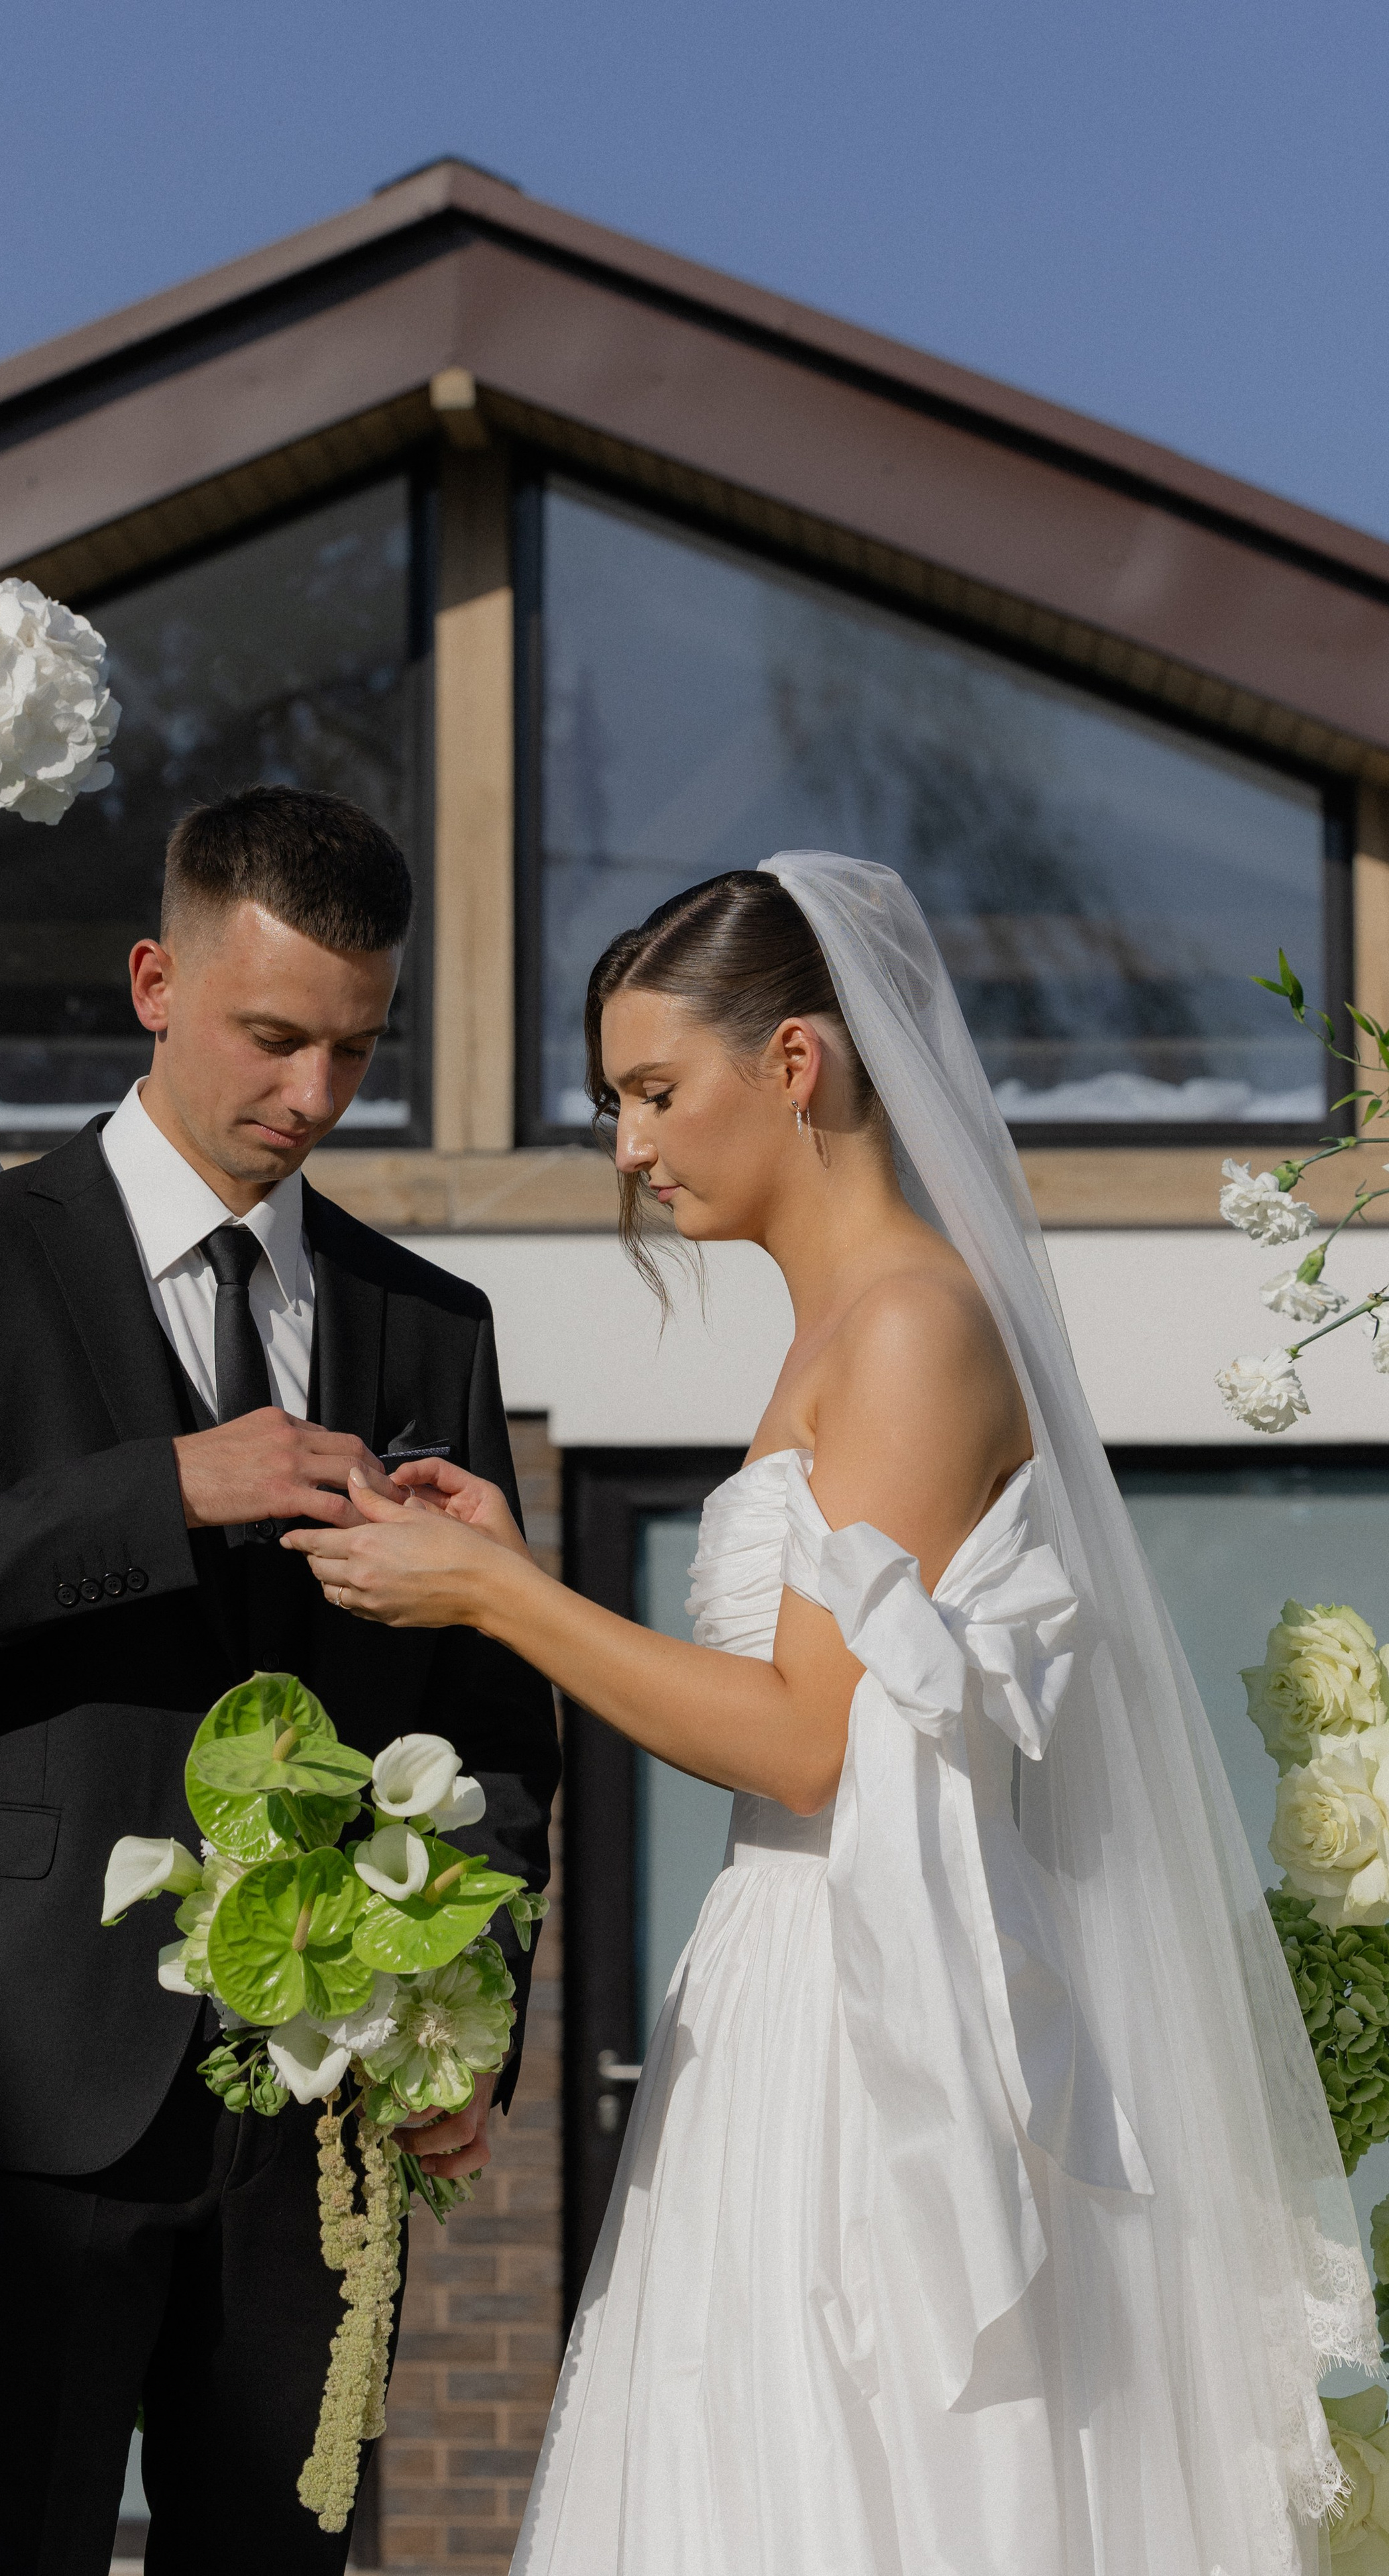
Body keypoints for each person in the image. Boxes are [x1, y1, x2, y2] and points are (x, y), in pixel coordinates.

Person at [286, 853, 1374, 2576]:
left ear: (792, 1065)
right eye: (611, 1102)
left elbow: (811, 1739)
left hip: (870, 2007)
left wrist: (499, 1597)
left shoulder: (907, 1329)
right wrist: (509, 1558)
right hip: (782, 1975)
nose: (627, 1147)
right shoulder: (836, 1333)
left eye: (654, 1091)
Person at [0, 785, 560, 2576]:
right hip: (19, 2107)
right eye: (275, 1038)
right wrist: (164, 1491)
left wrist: (468, 1998)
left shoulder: (433, 1325)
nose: (316, 1100)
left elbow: (496, 1729)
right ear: (153, 984)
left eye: (355, 1049)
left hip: (325, 2122)